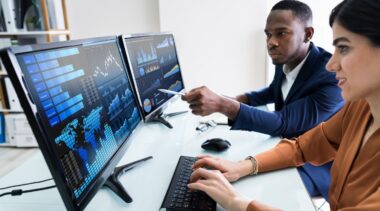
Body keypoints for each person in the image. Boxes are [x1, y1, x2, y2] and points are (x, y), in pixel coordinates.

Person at [187, 0, 380, 210]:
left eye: (344, 48)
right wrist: (242, 166)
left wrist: (237, 202)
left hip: (317, 174)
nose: (331, 65)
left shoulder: (332, 81)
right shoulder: (360, 107)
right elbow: (303, 146)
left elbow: (285, 122)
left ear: (307, 34)